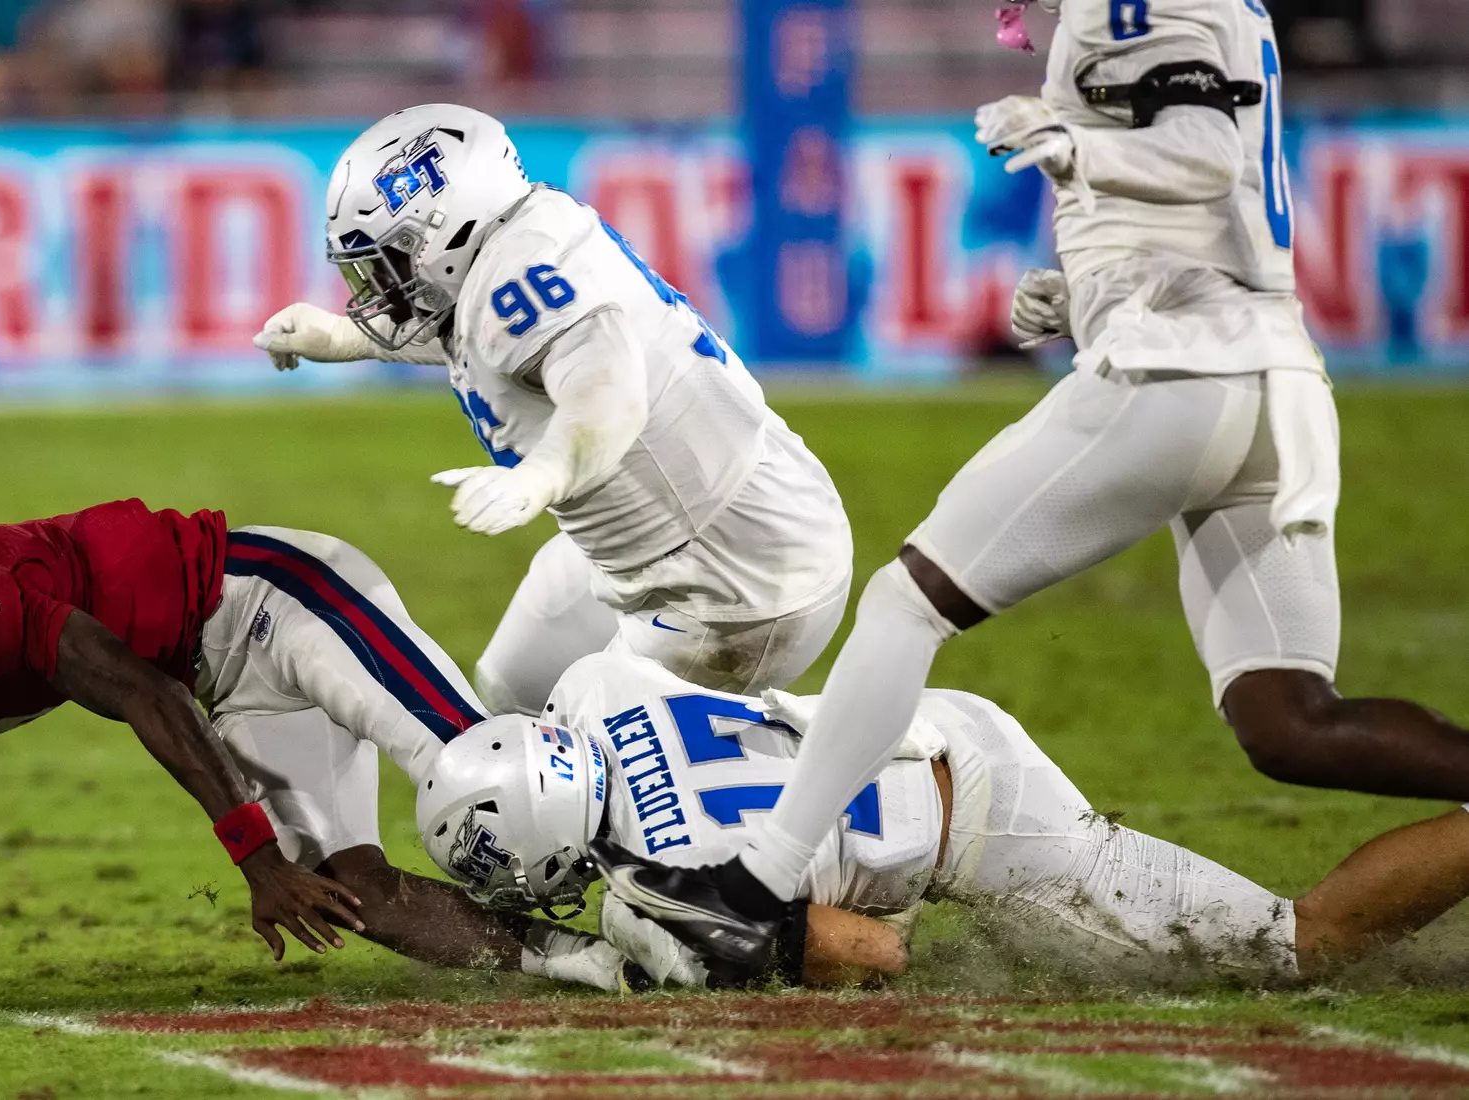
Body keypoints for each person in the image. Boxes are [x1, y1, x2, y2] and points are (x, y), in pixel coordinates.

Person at [588, 0, 1469, 972]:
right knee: (1290, 723)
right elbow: (1209, 200)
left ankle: (753, 886)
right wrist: (1090, 293)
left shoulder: (1125, 5)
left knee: (902, 604)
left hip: (1175, 380)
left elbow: (1203, 153)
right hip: (1270, 385)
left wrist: (1072, 148)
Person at [0, 499, 628, 988]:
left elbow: (141, 692)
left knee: (482, 786)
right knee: (354, 896)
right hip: (223, 685)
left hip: (269, 601)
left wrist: (253, 856)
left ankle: (698, 855)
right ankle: (597, 963)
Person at [254, 103, 853, 721]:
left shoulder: (520, 278)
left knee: (585, 776)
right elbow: (472, 339)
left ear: (444, 232)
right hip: (695, 534)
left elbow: (610, 395)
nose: (380, 288)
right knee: (516, 686)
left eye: (391, 262)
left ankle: (857, 753)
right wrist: (339, 337)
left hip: (734, 578)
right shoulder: (514, 242)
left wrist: (540, 476)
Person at [422, 651, 1469, 988]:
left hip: (990, 831)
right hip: (933, 724)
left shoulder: (657, 886)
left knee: (1297, 945)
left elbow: (875, 953)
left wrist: (768, 953)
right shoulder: (592, 684)